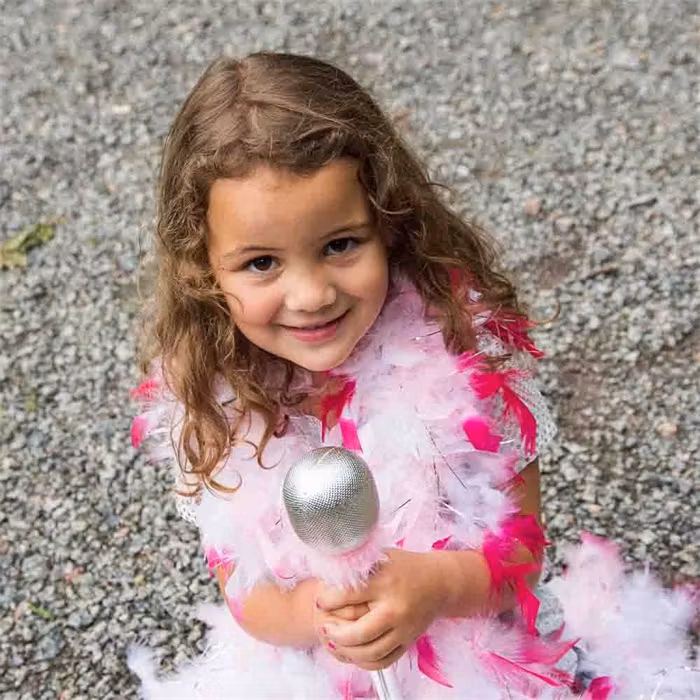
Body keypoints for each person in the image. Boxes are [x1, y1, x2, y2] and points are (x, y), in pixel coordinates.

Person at [129, 52, 698, 699]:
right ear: (203, 269)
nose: (311, 294)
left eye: (340, 244)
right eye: (262, 263)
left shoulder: (466, 366)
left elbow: (519, 562)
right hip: (309, 673)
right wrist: (322, 611)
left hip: (473, 664)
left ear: (390, 226)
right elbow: (247, 597)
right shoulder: (211, 406)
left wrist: (431, 587)